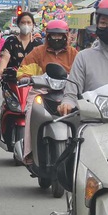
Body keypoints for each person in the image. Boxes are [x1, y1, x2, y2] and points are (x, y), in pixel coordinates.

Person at [17, 19, 79, 165]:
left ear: (66, 36)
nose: (56, 38)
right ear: (48, 36)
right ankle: (30, 152)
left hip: (67, 92)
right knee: (30, 110)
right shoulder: (38, 52)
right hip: (42, 91)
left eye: (60, 35)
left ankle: (81, 152)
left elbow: (82, 73)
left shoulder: (73, 53)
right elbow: (24, 69)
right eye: (53, 35)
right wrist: (26, 78)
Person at [0, 12, 43, 78]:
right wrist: (1, 69)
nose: (26, 25)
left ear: (33, 24)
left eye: (29, 22)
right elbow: (5, 57)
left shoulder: (38, 43)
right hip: (12, 80)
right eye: (23, 22)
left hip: (32, 81)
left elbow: (42, 62)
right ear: (18, 24)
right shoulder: (11, 41)